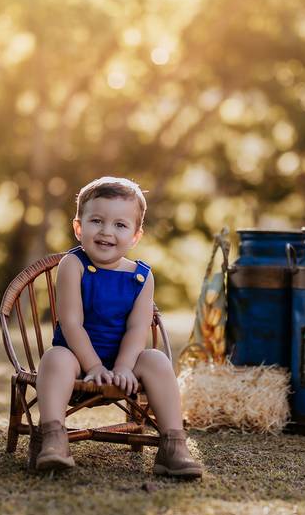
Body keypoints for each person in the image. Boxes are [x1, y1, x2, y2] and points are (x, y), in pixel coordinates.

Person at [34, 176, 203, 478]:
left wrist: (124, 367)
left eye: (120, 225)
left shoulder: (141, 277)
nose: (106, 232)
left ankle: (173, 446)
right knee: (54, 359)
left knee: (157, 360)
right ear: (78, 227)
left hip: (123, 360)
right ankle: (53, 439)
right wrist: (94, 365)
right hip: (78, 359)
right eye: (96, 221)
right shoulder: (73, 265)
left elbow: (138, 329)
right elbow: (71, 323)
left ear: (136, 235)